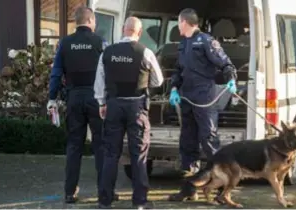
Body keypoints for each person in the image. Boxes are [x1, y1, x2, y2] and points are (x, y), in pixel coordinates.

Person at [46, 6, 118, 204]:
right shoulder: (100, 42)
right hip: (97, 99)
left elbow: (56, 72)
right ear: (91, 21)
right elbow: (111, 71)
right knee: (101, 145)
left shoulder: (65, 43)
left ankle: (70, 192)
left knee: (74, 146)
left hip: (74, 98)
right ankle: (105, 191)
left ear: (76, 22)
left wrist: (52, 98)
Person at [167, 8, 238, 202]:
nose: (177, 25)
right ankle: (189, 189)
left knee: (209, 142)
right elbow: (178, 71)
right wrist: (174, 88)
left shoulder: (206, 41)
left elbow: (226, 64)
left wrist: (231, 80)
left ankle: (222, 192)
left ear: (184, 22)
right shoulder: (183, 44)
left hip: (205, 99)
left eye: (178, 22)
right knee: (187, 144)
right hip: (187, 99)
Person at [95, 16, 164, 209]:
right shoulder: (146, 52)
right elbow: (158, 80)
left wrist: (102, 103)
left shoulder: (107, 53)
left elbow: (99, 83)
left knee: (110, 154)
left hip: (114, 106)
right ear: (139, 33)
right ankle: (140, 202)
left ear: (123, 30)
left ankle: (105, 201)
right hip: (137, 108)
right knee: (139, 155)